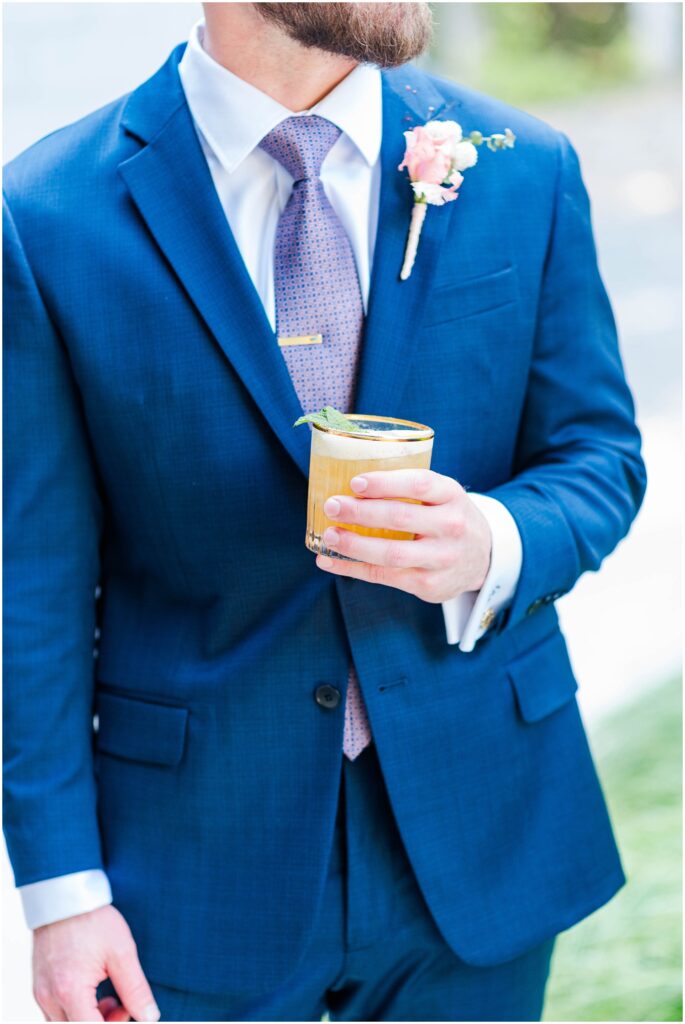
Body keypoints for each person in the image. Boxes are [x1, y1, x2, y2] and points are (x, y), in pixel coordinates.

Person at [3, 3, 646, 1021]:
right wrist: (63, 895)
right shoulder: (44, 215)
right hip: (190, 863)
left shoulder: (524, 165)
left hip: (481, 835)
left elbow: (598, 458)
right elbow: (26, 587)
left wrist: (490, 540)